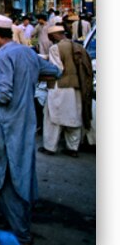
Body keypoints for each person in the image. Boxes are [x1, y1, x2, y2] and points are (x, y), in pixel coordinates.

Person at [0, 14, 60, 245]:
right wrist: (28, 80)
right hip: (26, 121)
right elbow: (54, 72)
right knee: (22, 171)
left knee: (8, 174)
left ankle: (21, 233)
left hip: (8, 123)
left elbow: (3, 95)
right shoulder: (27, 52)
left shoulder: (4, 56)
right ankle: (12, 221)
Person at [38, 26, 92, 158]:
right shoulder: (78, 47)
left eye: (50, 37)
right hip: (76, 87)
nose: (49, 40)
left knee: (53, 118)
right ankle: (72, 148)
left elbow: (57, 70)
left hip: (59, 87)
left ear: (54, 35)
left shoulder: (55, 48)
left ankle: (50, 147)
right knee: (74, 117)